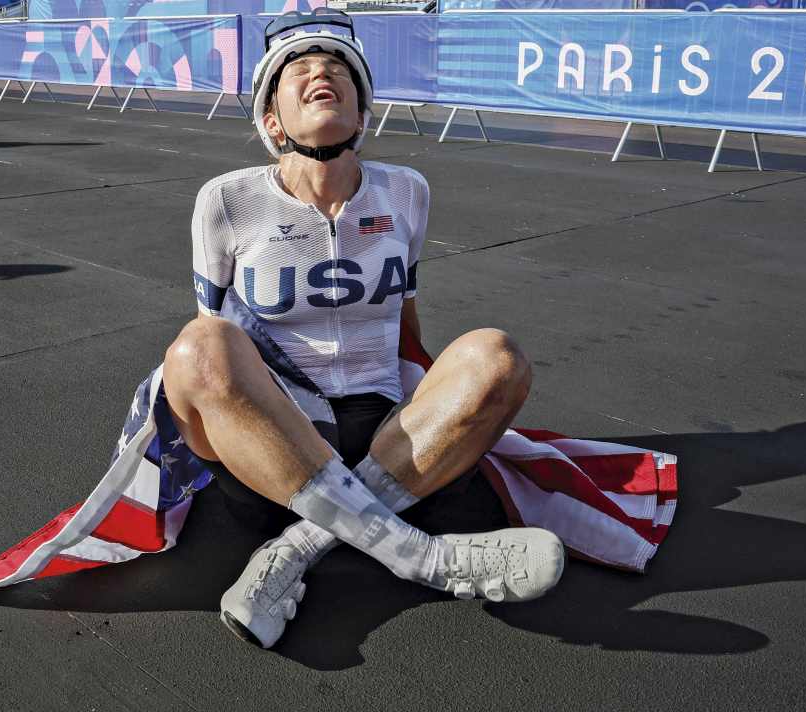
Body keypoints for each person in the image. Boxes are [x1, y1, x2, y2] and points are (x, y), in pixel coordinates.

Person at [160, 8, 565, 649]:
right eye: (299, 71)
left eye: (338, 71)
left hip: (388, 439)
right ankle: (426, 558)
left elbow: (407, 315)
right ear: (272, 120)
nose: (321, 74)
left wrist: (448, 404)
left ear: (362, 114)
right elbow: (217, 344)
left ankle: (295, 547)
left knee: (498, 357)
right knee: (197, 348)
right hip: (277, 445)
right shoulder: (227, 200)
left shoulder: (406, 191)